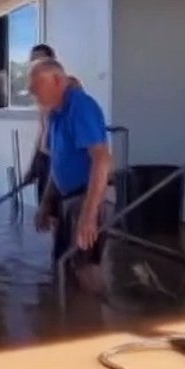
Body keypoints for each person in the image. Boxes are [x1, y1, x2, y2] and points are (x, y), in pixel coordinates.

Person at [28, 58, 112, 290]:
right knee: (63, 267)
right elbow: (58, 163)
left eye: (36, 84)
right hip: (67, 199)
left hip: (86, 198)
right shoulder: (55, 113)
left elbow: (102, 159)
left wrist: (89, 214)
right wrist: (46, 203)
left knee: (86, 271)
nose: (31, 91)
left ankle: (99, 312)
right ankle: (72, 312)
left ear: (57, 80)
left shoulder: (80, 107)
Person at [21, 43, 82, 206]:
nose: (37, 64)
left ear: (53, 61)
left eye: (41, 60)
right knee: (45, 208)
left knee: (61, 207)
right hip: (45, 156)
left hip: (62, 156)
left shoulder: (69, 85)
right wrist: (34, 165)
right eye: (33, 61)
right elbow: (44, 130)